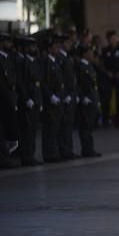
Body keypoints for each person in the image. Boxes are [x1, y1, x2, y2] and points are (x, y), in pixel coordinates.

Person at [17, 36, 42, 166]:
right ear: (27, 48)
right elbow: (21, 83)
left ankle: (31, 154)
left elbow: (38, 83)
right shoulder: (23, 63)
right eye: (32, 47)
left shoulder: (35, 62)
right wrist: (27, 98)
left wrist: (39, 101)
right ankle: (26, 156)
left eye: (35, 46)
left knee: (33, 130)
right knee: (27, 130)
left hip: (36, 100)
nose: (35, 49)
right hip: (28, 101)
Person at [40, 34, 66, 163]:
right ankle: (49, 154)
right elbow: (43, 82)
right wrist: (50, 96)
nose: (58, 49)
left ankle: (54, 152)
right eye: (55, 47)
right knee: (49, 128)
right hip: (51, 100)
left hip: (58, 98)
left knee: (56, 127)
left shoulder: (56, 61)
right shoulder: (46, 62)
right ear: (49, 49)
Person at [76, 45, 101, 157]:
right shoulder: (80, 66)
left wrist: (97, 99)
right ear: (84, 54)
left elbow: (94, 84)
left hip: (92, 98)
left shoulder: (89, 66)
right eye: (90, 52)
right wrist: (82, 97)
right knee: (85, 126)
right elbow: (77, 84)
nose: (92, 54)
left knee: (90, 126)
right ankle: (86, 149)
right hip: (86, 100)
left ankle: (90, 148)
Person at [99, 31, 119, 127]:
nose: (113, 40)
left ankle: (118, 120)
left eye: (115, 37)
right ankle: (106, 119)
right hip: (108, 77)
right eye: (111, 38)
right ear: (108, 39)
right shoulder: (105, 50)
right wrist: (107, 72)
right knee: (107, 98)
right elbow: (101, 64)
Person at [57, 36, 78, 160]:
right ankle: (64, 150)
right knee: (64, 125)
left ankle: (68, 149)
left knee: (69, 124)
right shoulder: (60, 58)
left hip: (71, 94)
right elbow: (61, 79)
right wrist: (65, 95)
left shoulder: (67, 57)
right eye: (69, 42)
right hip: (65, 95)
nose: (70, 44)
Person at [0, 32, 19, 169]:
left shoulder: (7, 58)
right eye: (7, 42)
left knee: (7, 130)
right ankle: (3, 158)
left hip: (8, 100)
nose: (10, 45)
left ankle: (6, 156)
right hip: (2, 101)